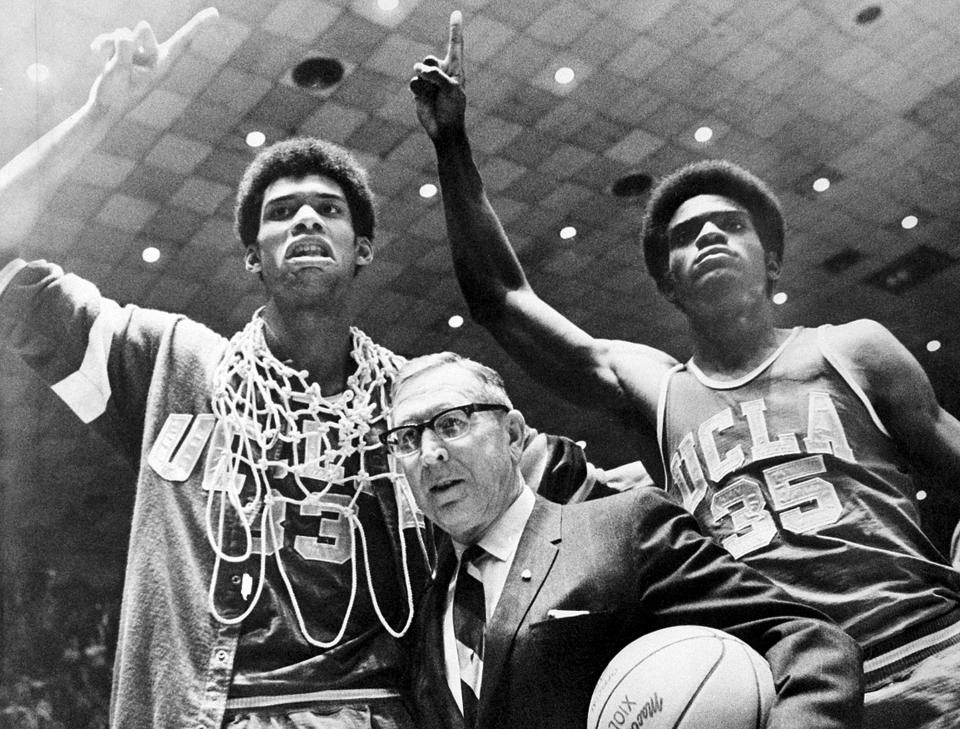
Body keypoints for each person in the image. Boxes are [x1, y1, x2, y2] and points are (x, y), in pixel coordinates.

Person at [0, 11, 627, 729]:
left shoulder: (421, 397)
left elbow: (589, 495)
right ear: (251, 254)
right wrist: (96, 116)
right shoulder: (170, 362)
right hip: (220, 712)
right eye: (281, 212)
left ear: (362, 249)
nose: (304, 220)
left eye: (327, 209)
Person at [410, 11, 960, 728]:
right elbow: (503, 299)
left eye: (730, 225)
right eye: (684, 235)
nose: (707, 235)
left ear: (773, 260)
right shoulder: (657, 390)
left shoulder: (853, 349)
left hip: (932, 654)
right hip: (788, 688)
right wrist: (451, 144)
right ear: (667, 283)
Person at [384, 351, 863, 729]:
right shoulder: (424, 616)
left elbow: (808, 641)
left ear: (512, 434)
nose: (429, 454)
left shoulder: (624, 527)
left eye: (451, 424)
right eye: (406, 438)